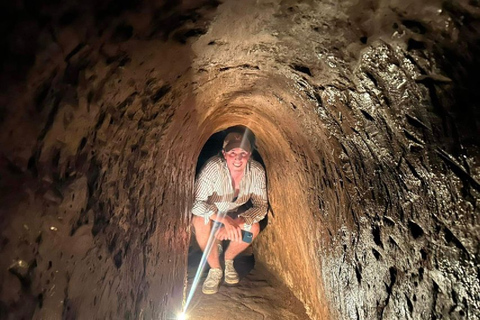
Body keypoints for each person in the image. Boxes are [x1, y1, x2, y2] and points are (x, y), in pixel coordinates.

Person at [191, 129, 268, 294]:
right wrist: (225, 221)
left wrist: (237, 223)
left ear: (249, 155)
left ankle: (228, 258)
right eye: (233, 152)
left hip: (235, 214)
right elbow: (197, 204)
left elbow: (261, 206)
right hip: (212, 214)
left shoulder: (256, 171)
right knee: (198, 221)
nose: (238, 158)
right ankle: (215, 269)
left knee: (252, 230)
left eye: (243, 153)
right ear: (224, 154)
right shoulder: (213, 168)